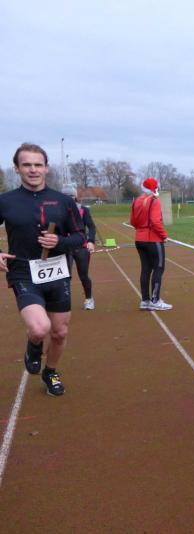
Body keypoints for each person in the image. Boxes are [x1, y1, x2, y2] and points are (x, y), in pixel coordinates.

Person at [0, 143, 85, 396]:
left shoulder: (63, 201)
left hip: (57, 271)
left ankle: (51, 372)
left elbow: (80, 236)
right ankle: (34, 344)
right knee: (39, 328)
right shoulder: (6, 201)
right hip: (23, 271)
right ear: (17, 169)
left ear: (46, 168)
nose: (33, 170)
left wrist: (59, 241)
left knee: (59, 332)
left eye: (38, 165)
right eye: (27, 165)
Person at [130, 177, 172, 310]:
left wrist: (141, 229)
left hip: (139, 239)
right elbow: (155, 221)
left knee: (145, 269)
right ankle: (155, 300)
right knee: (158, 268)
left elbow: (133, 221)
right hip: (153, 240)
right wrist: (164, 236)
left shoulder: (136, 201)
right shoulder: (154, 201)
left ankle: (145, 300)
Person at [62, 185, 97, 310]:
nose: (69, 199)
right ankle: (63, 301)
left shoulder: (83, 210)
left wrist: (91, 241)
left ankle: (89, 299)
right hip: (64, 248)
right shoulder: (57, 211)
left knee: (83, 275)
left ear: (75, 197)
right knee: (64, 276)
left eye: (71, 196)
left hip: (81, 247)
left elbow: (91, 226)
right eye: (66, 196)